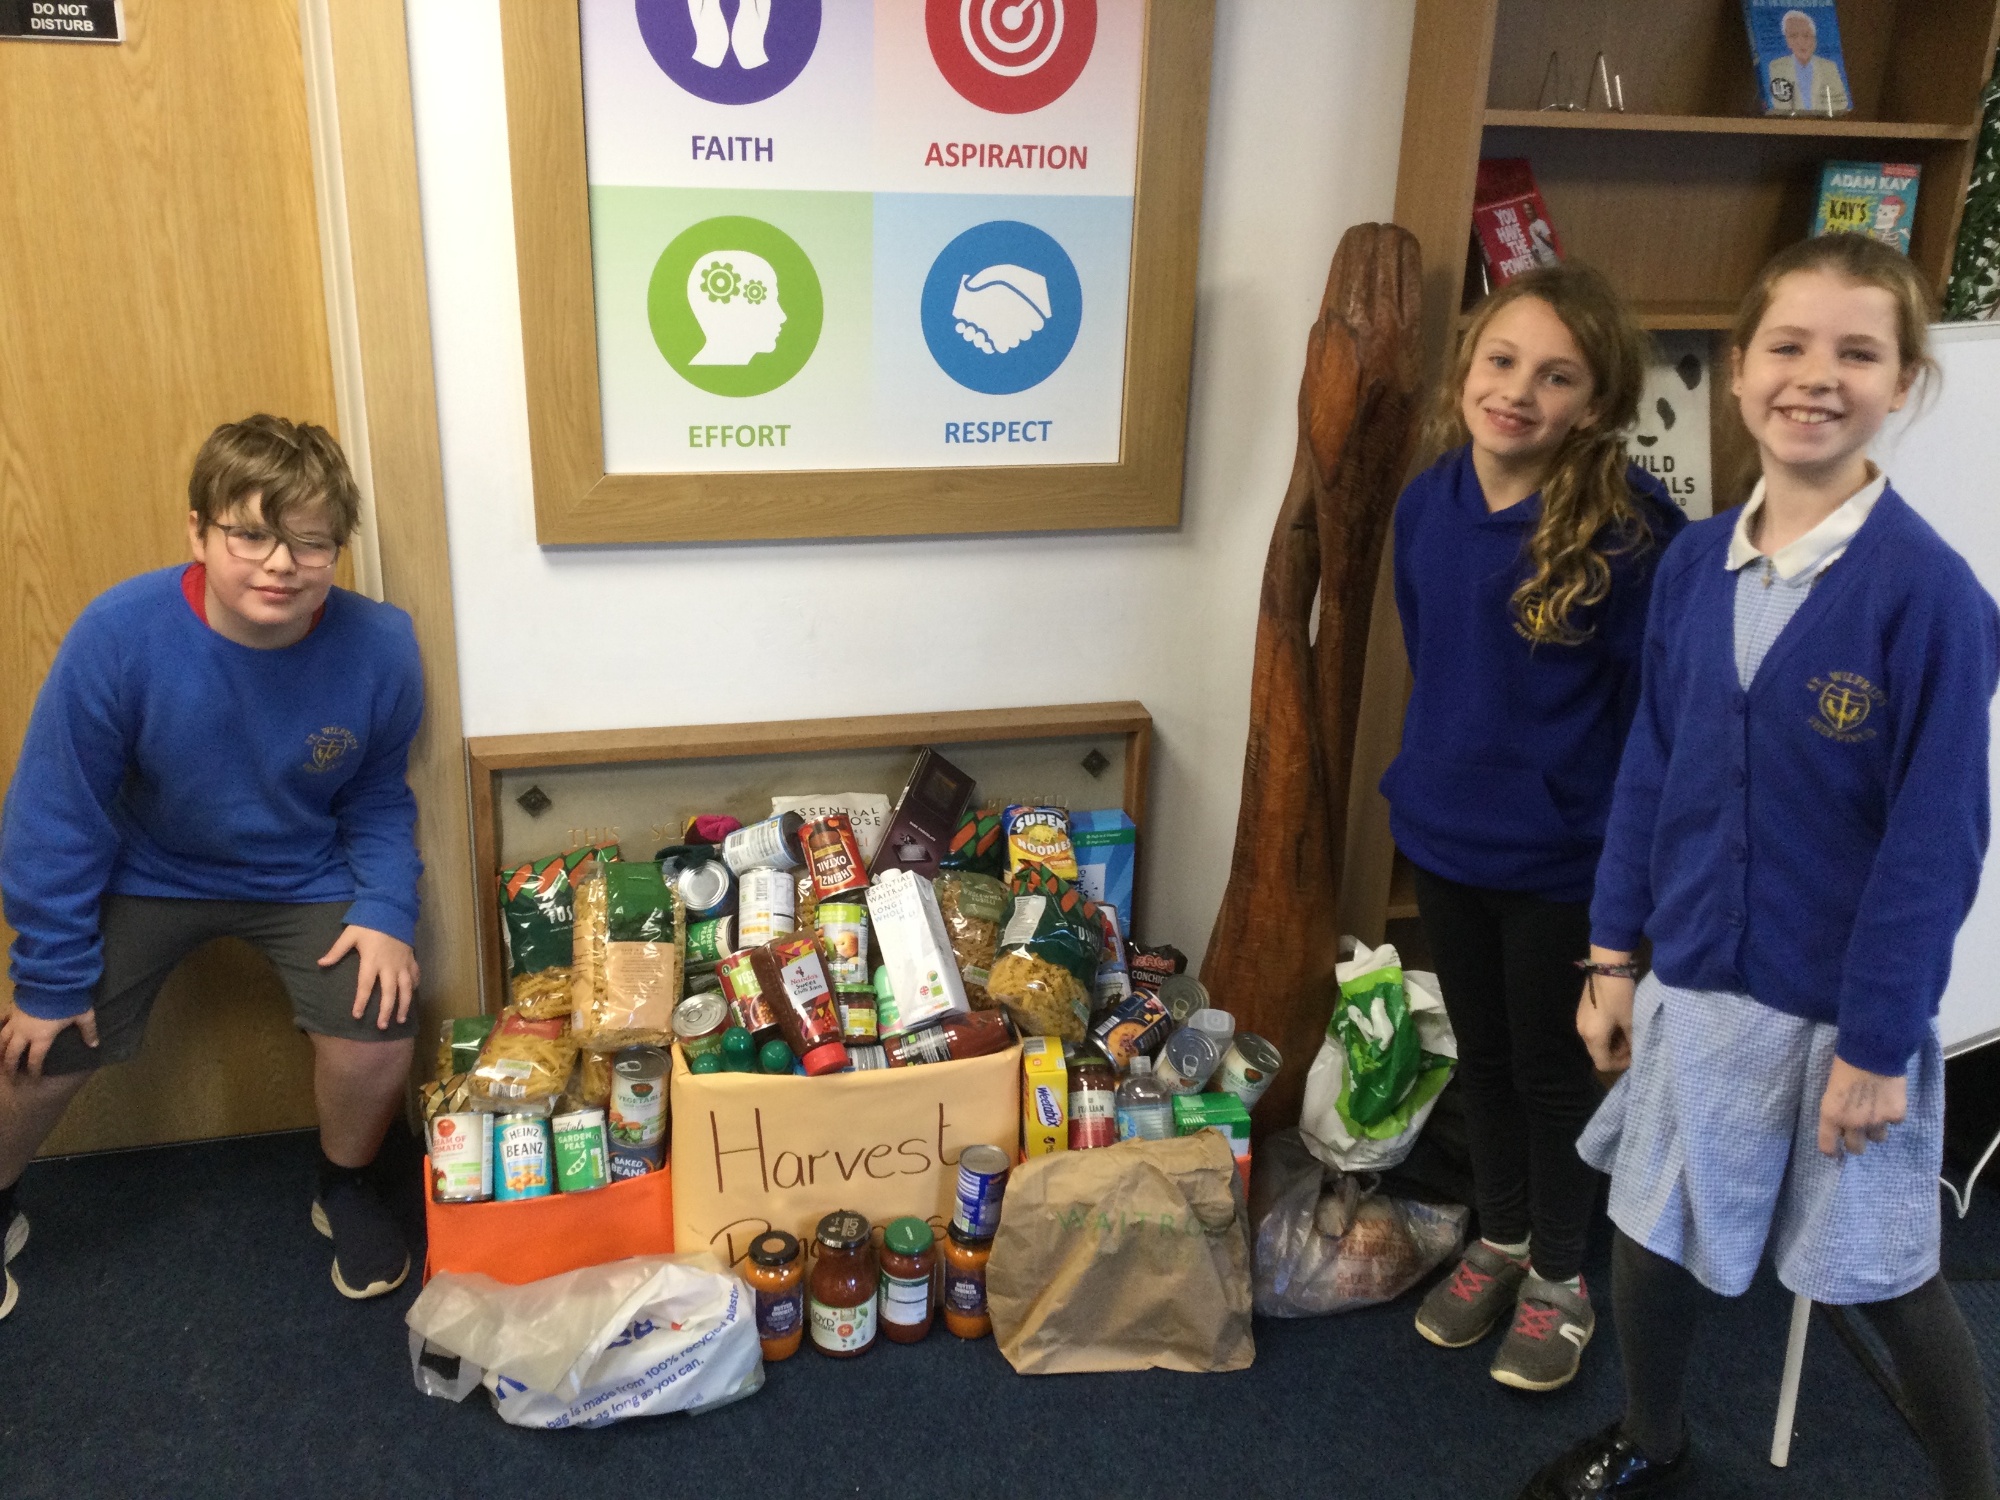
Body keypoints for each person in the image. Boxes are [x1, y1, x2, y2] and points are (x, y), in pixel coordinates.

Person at [1519, 236, 2000, 1499]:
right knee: (1647, 1229)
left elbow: (1933, 844)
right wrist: (1609, 957)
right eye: (1786, 346)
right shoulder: (1691, 566)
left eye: (1856, 352)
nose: (1814, 376)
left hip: (1841, 1011)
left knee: (1881, 1276)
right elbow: (1650, 768)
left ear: (1901, 383)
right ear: (1736, 371)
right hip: (1696, 987)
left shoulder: (1929, 599)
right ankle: (1653, 1436)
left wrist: (1875, 1042)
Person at [0, 416, 425, 1318]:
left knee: (380, 1018)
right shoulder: (119, 633)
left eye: (310, 543)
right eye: (251, 535)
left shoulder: (383, 645)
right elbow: (56, 811)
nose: (281, 564)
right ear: (198, 532)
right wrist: (49, 972)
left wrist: (387, 909)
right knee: (39, 1041)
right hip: (149, 869)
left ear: (337, 549)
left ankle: (345, 1184)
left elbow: (377, 795)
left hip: (304, 874)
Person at [1383, 263, 1685, 1392]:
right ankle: (1500, 1238)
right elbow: (1433, 651)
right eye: (1501, 361)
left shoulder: (1631, 536)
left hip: (1565, 862)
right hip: (1446, 838)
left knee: (1554, 1075)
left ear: (1596, 404)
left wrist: (1623, 917)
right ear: (1466, 366)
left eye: (1556, 376)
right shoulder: (1428, 503)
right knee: (1484, 1059)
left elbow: (1655, 723)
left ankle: (1560, 1275)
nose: (1516, 391)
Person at [1768, 9, 1849, 114]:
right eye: (1793, 36)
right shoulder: (1777, 67)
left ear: (1814, 40)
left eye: (1806, 35)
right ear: (1787, 41)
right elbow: (1780, 106)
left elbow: (1841, 105)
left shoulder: (1829, 67)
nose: (1801, 42)